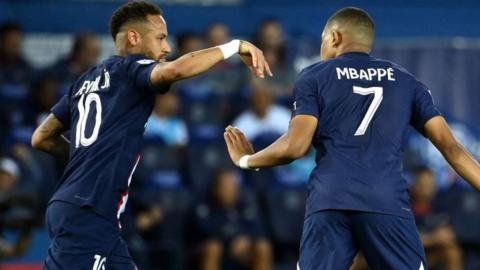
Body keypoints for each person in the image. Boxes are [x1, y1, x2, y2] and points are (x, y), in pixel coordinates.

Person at [223, 7, 480, 270]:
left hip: (330, 200)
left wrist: (246, 159)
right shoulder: (407, 81)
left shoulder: (315, 76)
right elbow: (452, 149)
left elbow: (295, 146)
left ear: (334, 37)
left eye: (323, 38)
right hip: (385, 200)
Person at [30, 1, 271, 269]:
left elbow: (42, 136)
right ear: (134, 37)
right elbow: (177, 70)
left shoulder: (85, 81)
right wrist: (235, 46)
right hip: (89, 211)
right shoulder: (132, 68)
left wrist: (83, 160)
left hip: (78, 208)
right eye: (160, 38)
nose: (166, 47)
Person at [193, 169, 272, 270]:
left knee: (263, 247)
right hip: (213, 248)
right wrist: (232, 240)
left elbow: (256, 227)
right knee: (213, 247)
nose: (233, 189)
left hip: (241, 248)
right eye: (227, 186)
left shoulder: (243, 204)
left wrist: (245, 239)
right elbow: (205, 230)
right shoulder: (204, 204)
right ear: (216, 188)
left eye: (234, 185)